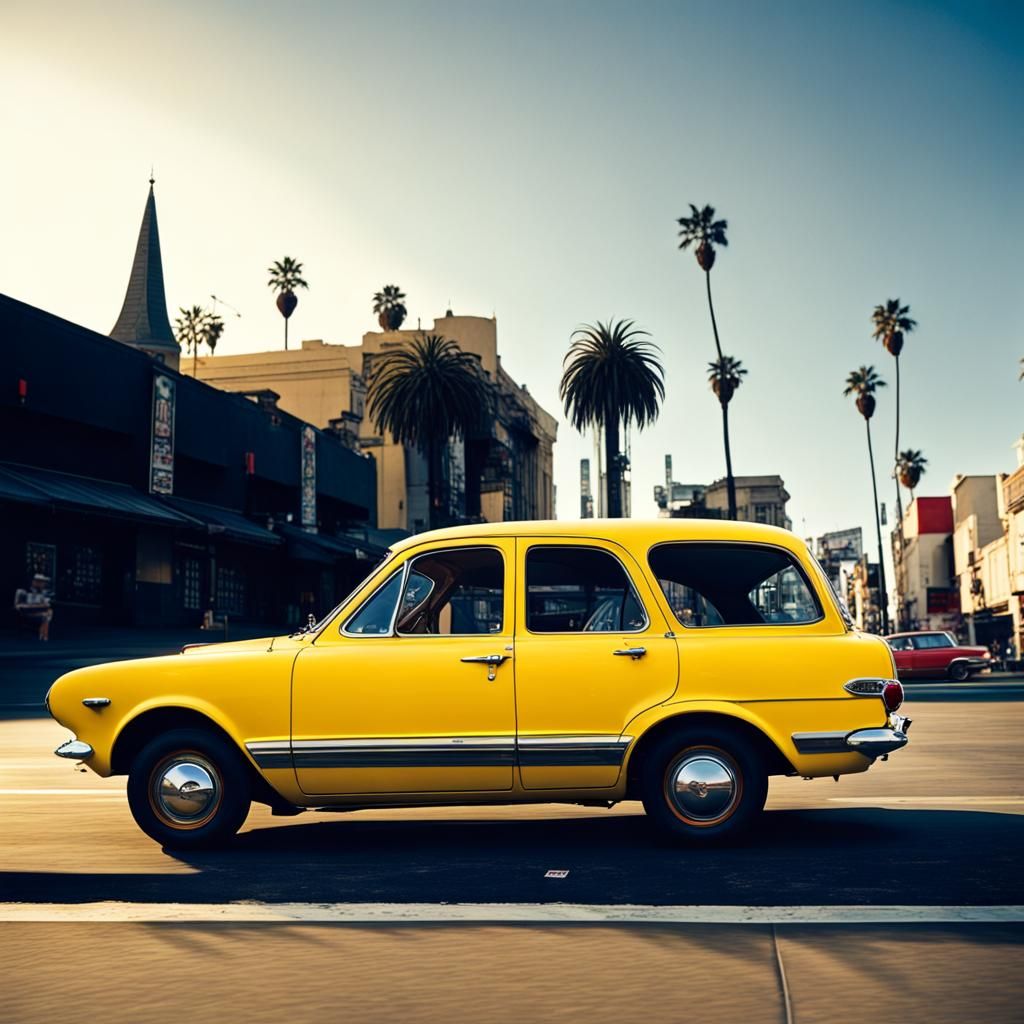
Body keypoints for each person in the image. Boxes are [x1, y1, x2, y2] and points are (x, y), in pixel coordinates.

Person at [14, 573, 53, 641]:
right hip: (27, 611)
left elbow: (46, 605)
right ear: (33, 581)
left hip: (38, 612)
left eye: (42, 582)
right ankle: (43, 635)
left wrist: (41, 605)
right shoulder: (22, 591)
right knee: (46, 615)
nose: (42, 584)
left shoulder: (43, 593)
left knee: (48, 613)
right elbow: (18, 605)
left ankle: (43, 635)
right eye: (39, 582)